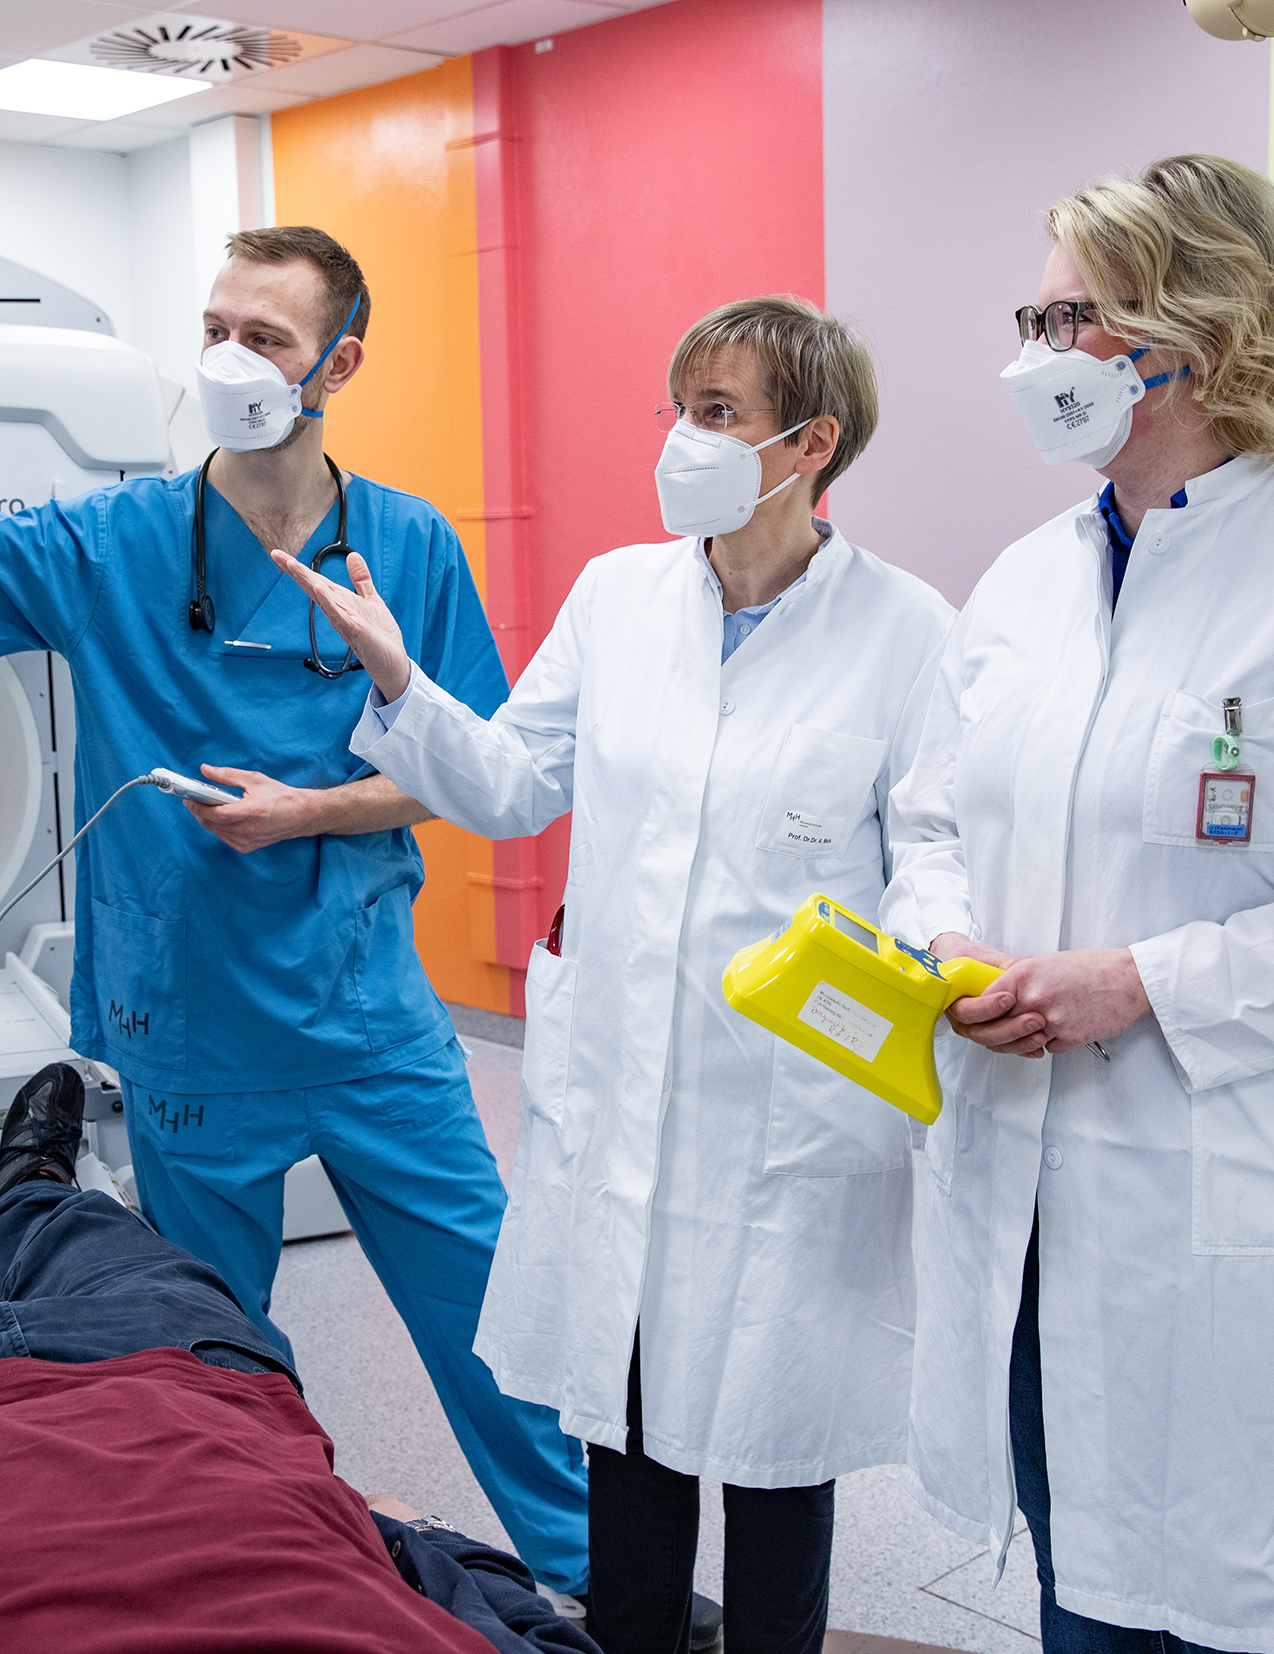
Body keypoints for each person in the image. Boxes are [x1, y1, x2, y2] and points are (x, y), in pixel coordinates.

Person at [0, 225, 592, 1599]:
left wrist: (309, 811)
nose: (230, 357)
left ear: (340, 362)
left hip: (375, 1022)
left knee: (497, 1326)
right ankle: (256, 1572)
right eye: (215, 326)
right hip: (190, 1026)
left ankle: (603, 1583)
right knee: (211, 1352)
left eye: (264, 336)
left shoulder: (410, 544)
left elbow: (470, 771)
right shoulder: (123, 540)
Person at [884, 155, 1274, 1654]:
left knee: (1261, 1603)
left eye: (1072, 317)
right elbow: (930, 814)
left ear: (1204, 331)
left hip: (1242, 1195)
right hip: (1036, 1210)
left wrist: (1155, 981)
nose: (1034, 356)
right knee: (1084, 1594)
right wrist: (946, 939)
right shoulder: (1022, 585)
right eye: (1030, 315)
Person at [279, 296, 955, 1654]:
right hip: (627, 1096)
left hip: (789, 1111)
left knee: (773, 1450)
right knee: (626, 1440)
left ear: (809, 443)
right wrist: (402, 680)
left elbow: (936, 838)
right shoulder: (617, 594)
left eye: (719, 414)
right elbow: (517, 782)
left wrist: (944, 960)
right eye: (679, 409)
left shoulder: (907, 628)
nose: (683, 441)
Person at [0, 1065, 600, 1654]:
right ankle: (25, 1195)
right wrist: (410, 1531)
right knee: (113, 1250)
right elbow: (523, 1614)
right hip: (184, 1396)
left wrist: (400, 1529)